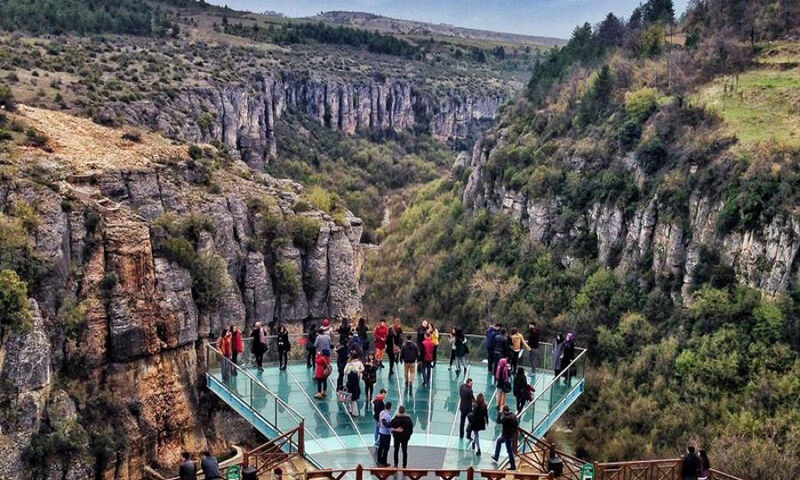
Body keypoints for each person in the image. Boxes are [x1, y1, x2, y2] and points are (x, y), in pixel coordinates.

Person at [491, 406, 518, 470]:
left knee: (509, 451)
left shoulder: (506, 418)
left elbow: (498, 421)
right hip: (510, 435)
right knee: (499, 441)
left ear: (504, 411)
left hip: (506, 436)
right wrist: (513, 431)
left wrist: (499, 413)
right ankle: (496, 457)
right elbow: (516, 424)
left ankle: (513, 466)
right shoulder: (513, 415)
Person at [376, 402, 394, 467]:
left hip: (381, 432)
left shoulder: (382, 412)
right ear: (390, 407)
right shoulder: (388, 416)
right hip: (386, 434)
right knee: (386, 448)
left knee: (381, 447)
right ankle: (384, 461)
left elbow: (379, 421)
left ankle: (379, 460)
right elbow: (387, 425)